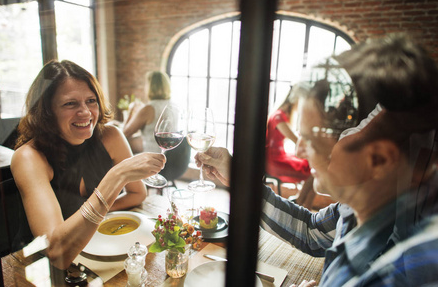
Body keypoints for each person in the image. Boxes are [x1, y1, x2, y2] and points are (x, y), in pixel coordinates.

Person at [195, 34, 438, 286]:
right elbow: (310, 232)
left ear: (378, 160)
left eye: (312, 139)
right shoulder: (362, 204)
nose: (300, 151)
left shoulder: (407, 271)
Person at [11, 60, 166, 270]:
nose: (85, 112)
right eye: (70, 103)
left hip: (94, 248)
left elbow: (138, 194)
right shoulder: (29, 157)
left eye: (91, 101)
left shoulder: (111, 136)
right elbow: (56, 253)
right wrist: (116, 177)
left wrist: (88, 220)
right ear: (47, 111)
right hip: (37, 267)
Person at [266, 86, 315, 208]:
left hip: (279, 157)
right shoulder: (278, 117)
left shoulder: (282, 115)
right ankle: (302, 204)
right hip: (273, 161)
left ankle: (301, 203)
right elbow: (296, 141)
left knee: (314, 167)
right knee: (313, 170)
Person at [122, 71, 172, 153]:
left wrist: (130, 111)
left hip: (152, 158)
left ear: (150, 87)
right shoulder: (172, 105)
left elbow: (124, 134)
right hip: (171, 158)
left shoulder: (149, 109)